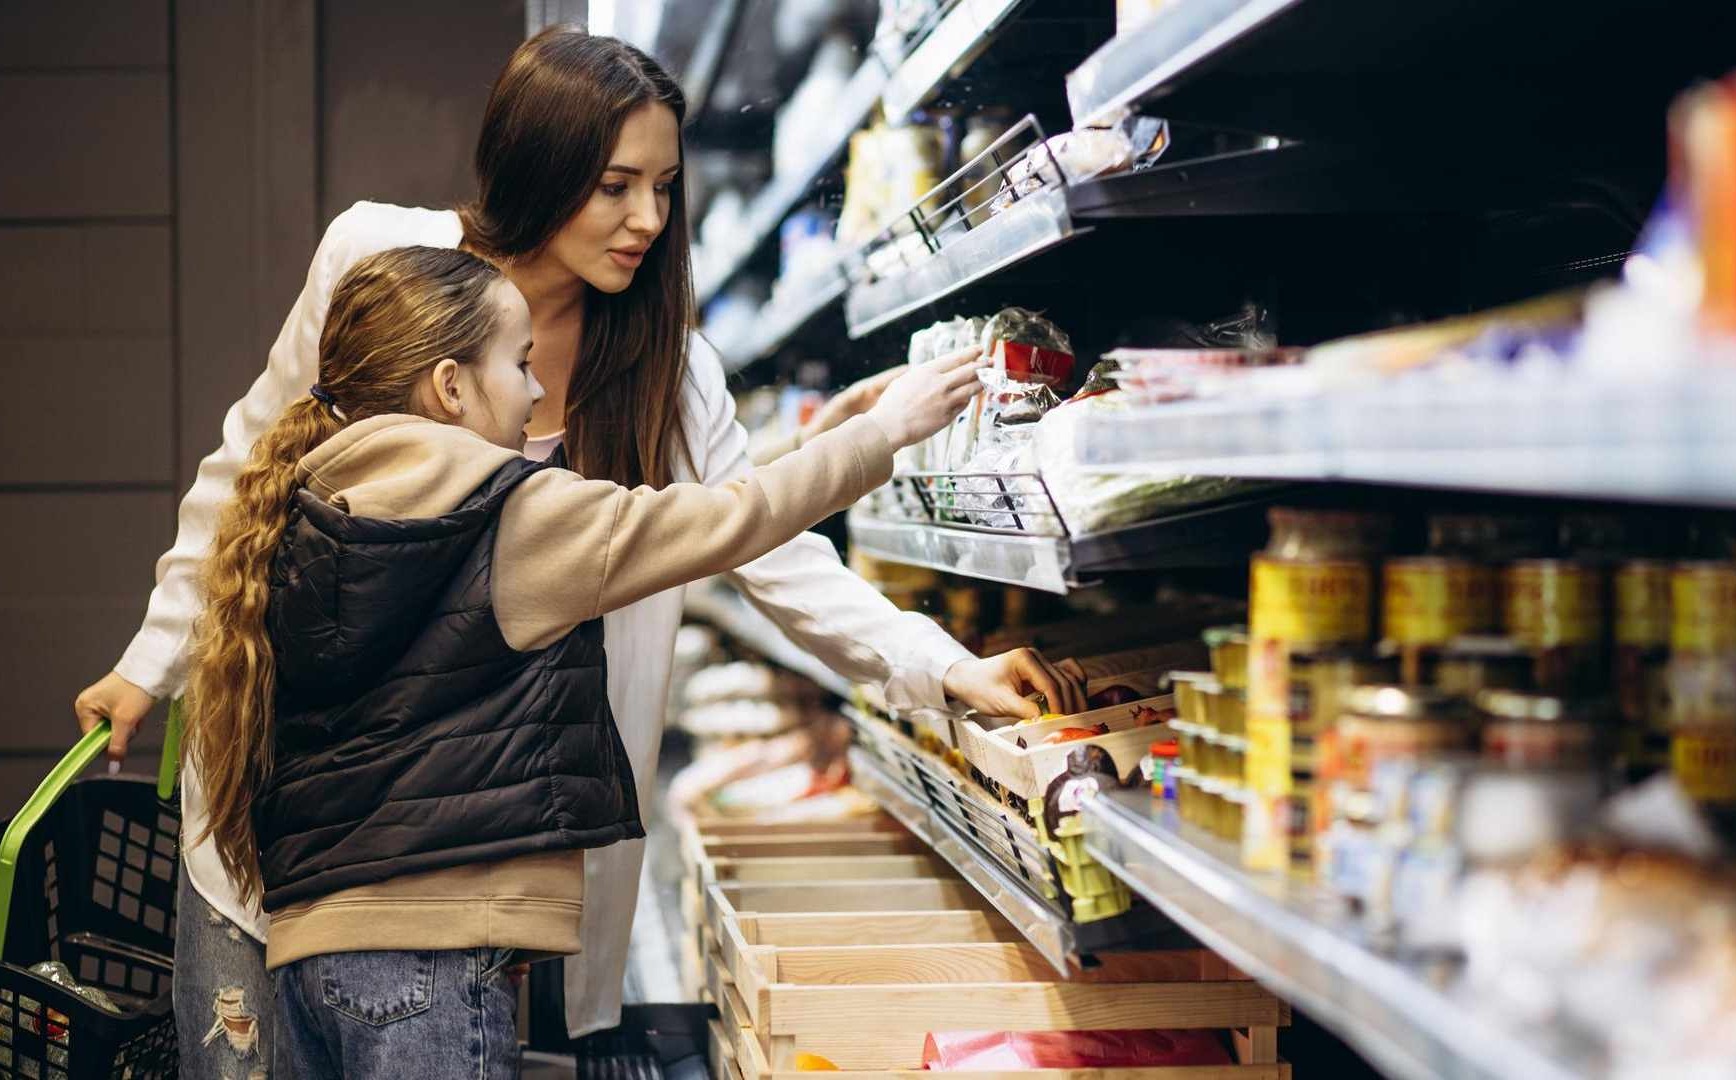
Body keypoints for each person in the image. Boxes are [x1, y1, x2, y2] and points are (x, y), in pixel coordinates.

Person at [71, 26, 1082, 1078]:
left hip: (477, 859)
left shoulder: (663, 368)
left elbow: (773, 558)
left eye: (665, 188)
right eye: (614, 185)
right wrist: (153, 661)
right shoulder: (378, 260)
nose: (648, 219)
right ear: (541, 165)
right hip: (282, 823)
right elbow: (251, 468)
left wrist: (948, 668)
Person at [185, 243, 982, 1077]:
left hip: (311, 961)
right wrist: (884, 432)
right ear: (450, 385)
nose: (536, 390)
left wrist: (826, 435)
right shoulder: (514, 518)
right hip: (432, 968)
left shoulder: (297, 515)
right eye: (519, 362)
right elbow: (729, 521)